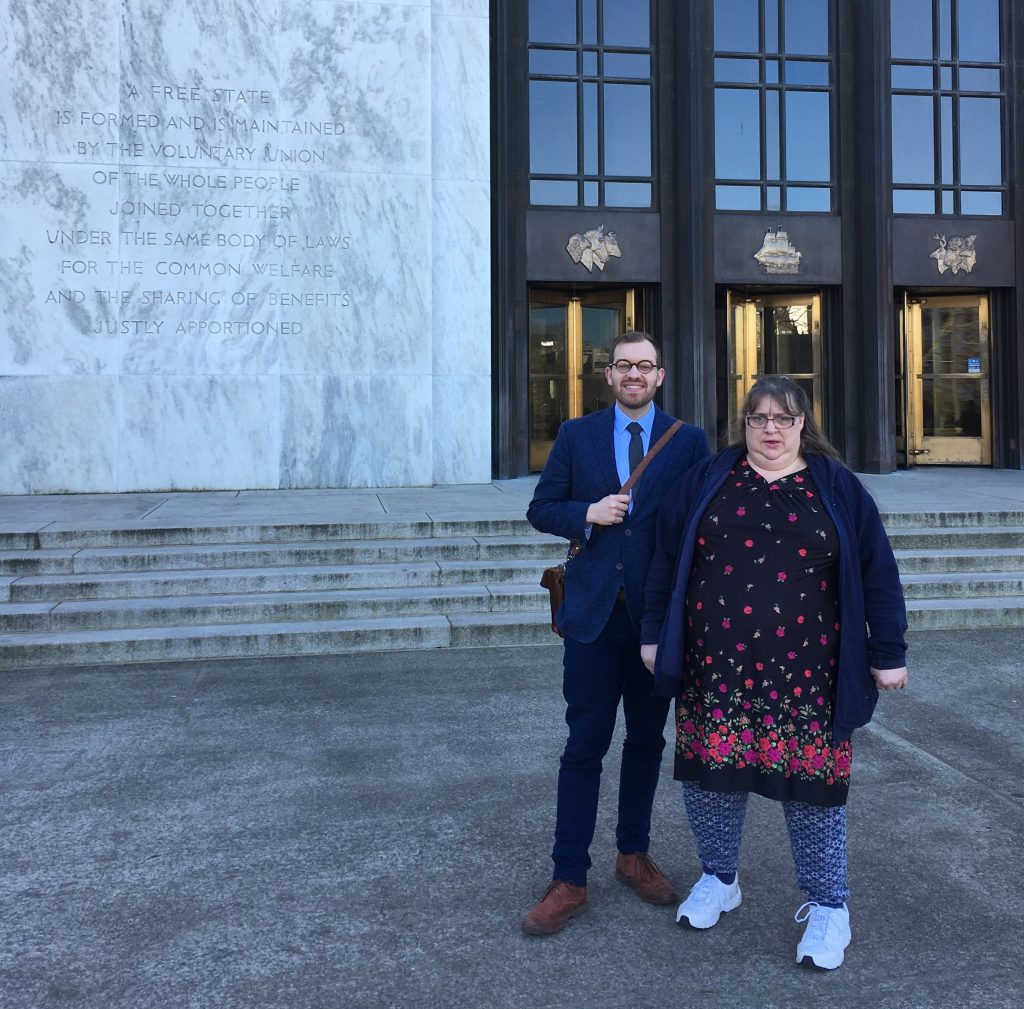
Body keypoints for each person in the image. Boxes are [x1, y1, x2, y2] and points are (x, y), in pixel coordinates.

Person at [640, 375, 908, 970]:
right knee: (712, 779)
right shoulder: (709, 478)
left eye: (783, 419)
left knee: (813, 793)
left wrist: (888, 652)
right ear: (745, 423)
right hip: (717, 668)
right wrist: (654, 635)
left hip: (811, 673)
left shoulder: (836, 486)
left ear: (802, 424)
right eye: (758, 418)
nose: (770, 429)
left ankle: (829, 906)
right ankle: (719, 878)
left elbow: (878, 572)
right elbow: (665, 558)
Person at [522, 331, 710, 936]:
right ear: (608, 376)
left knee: (647, 743)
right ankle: (569, 877)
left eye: (644, 365)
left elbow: (706, 520)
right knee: (583, 748)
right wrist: (587, 512)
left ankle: (634, 854)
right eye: (623, 365)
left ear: (660, 375)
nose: (634, 374)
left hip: (656, 621)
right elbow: (541, 507)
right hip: (594, 617)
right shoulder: (577, 435)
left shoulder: (689, 442)